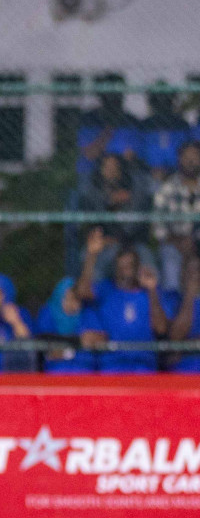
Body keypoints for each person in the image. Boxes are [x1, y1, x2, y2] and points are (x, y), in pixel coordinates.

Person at [74, 231, 172, 374]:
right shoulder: (106, 289)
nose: (124, 271)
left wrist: (152, 290)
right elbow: (82, 292)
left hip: (144, 366)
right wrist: (91, 255)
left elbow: (161, 329)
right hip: (111, 366)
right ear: (114, 268)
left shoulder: (151, 294)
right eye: (121, 267)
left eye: (129, 266)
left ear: (138, 268)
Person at [152, 141, 200, 291]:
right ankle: (172, 302)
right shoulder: (167, 189)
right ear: (179, 159)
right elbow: (157, 227)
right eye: (187, 157)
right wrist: (177, 241)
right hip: (174, 243)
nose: (191, 161)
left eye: (195, 156)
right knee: (169, 258)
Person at [35, 277, 97, 375]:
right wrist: (76, 346)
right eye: (68, 299)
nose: (73, 304)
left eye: (76, 299)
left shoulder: (87, 313)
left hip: (85, 371)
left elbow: (98, 338)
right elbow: (50, 351)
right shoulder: (47, 314)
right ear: (59, 298)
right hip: (55, 372)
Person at [166, 257, 200, 373]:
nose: (193, 276)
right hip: (182, 368)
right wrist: (190, 294)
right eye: (189, 271)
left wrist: (186, 345)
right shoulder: (171, 298)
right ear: (181, 273)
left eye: (197, 271)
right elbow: (175, 338)